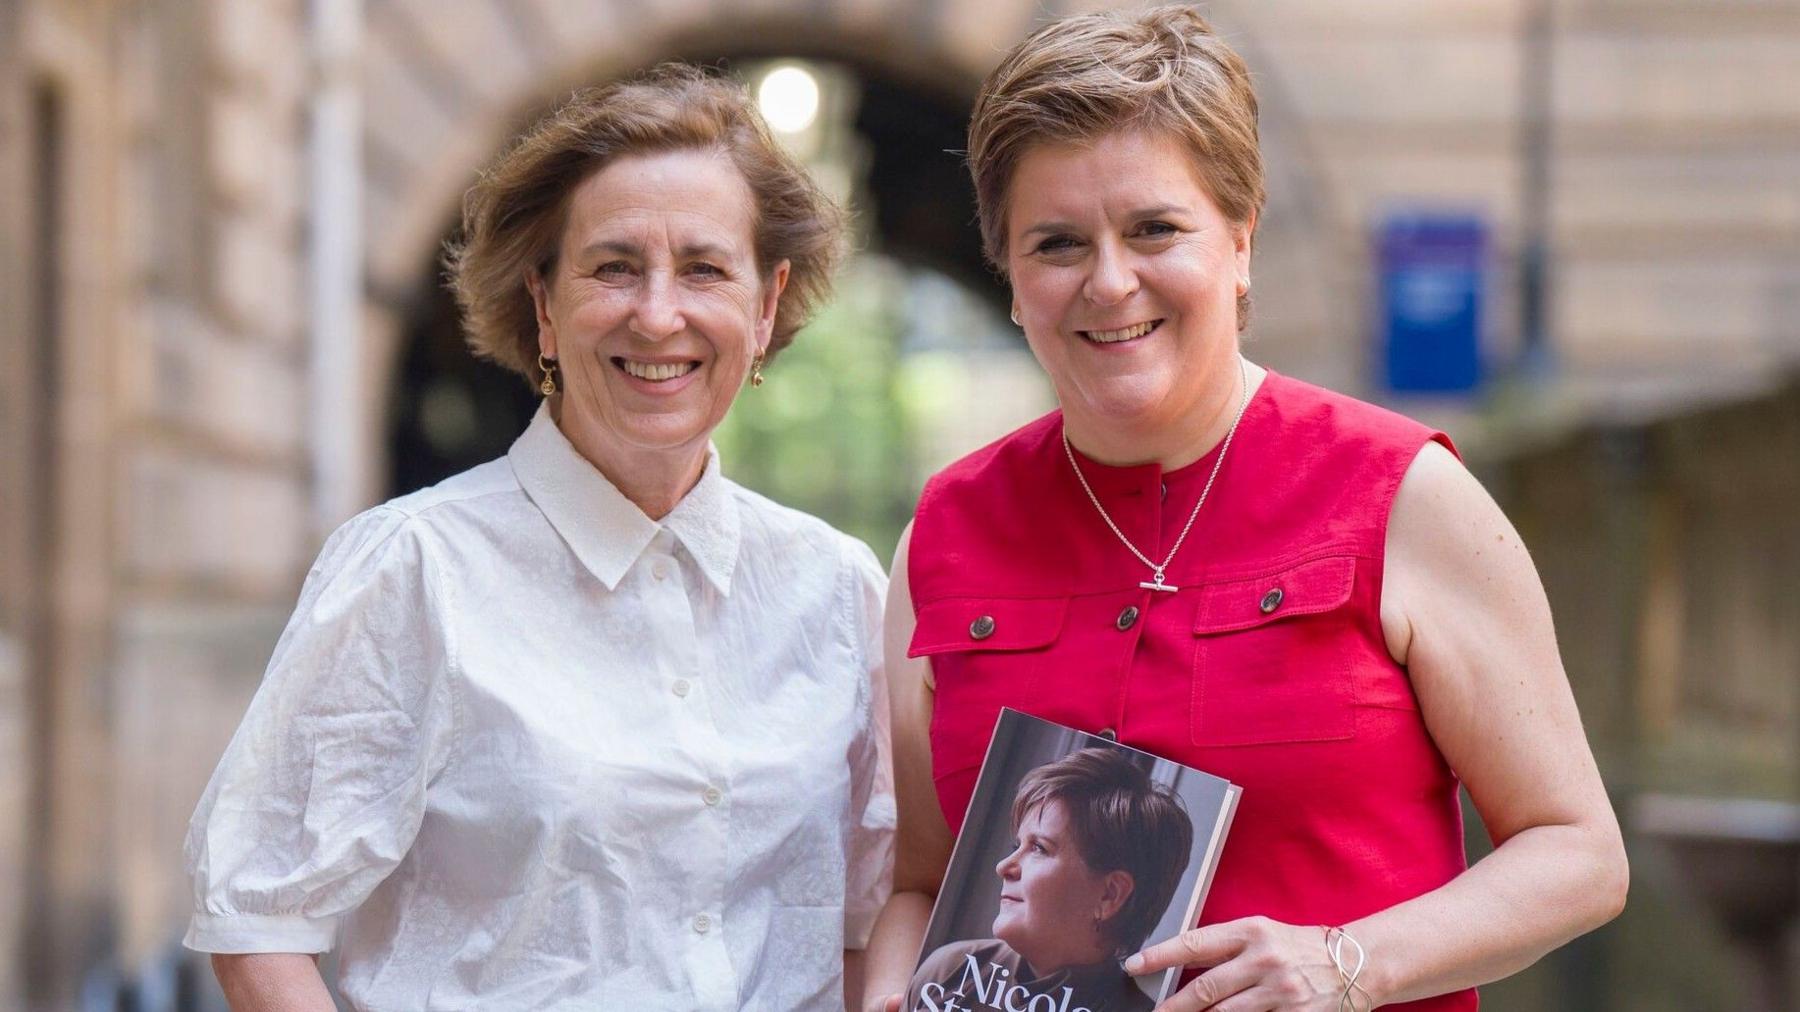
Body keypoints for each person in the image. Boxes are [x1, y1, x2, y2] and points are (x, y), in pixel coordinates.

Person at [864, 8, 1628, 1012]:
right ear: (1009, 280)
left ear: (1239, 240)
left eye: (1154, 229)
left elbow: (1579, 853)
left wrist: (1345, 962)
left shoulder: (1405, 497)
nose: (1109, 281)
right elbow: (921, 881)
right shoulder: (945, 539)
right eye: (1056, 243)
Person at [184, 66, 893, 1011]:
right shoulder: (414, 568)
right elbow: (257, 921)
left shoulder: (835, 588)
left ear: (765, 309)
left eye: (705, 268)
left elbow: (866, 919)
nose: (658, 312)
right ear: (544, 305)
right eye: (612, 266)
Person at [903, 747, 1192, 1012]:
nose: (1004, 867)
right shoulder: (947, 972)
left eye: (1039, 848)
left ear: (1110, 895)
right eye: (1017, 847)